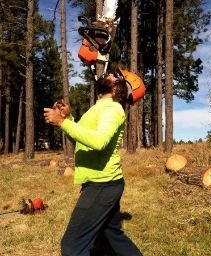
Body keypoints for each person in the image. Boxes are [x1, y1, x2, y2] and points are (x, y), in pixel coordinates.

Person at [43, 69, 145, 256]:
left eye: (116, 77)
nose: (111, 74)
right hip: (103, 183)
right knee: (112, 235)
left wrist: (63, 123)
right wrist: (69, 118)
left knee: (72, 245)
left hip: (102, 184)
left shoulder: (113, 109)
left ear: (117, 89)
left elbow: (99, 141)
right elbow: (82, 138)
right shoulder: (98, 107)